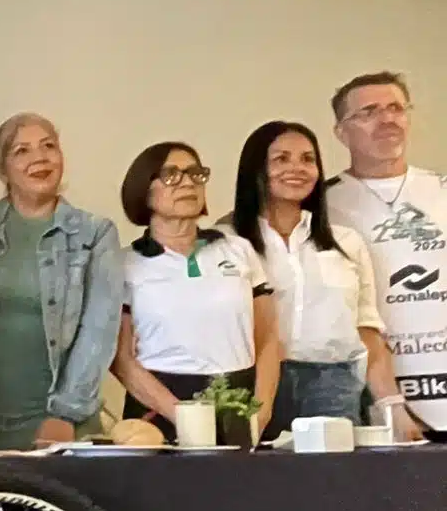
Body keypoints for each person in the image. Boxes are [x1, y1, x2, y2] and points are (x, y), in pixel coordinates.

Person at [225, 120, 418, 439]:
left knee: (334, 484)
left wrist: (393, 407)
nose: (297, 168)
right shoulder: (229, 243)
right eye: (281, 158)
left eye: (308, 159)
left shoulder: (347, 243)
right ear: (256, 168)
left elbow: (367, 333)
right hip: (253, 385)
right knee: (254, 485)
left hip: (333, 386)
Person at [0, 114, 121, 450]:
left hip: (56, 427)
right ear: (2, 171)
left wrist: (67, 414)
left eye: (49, 146)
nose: (40, 158)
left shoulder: (93, 232)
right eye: (21, 151)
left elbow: (99, 329)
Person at [113, 142, 281, 443]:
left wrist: (262, 411)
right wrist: (183, 416)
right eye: (171, 175)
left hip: (238, 401)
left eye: (195, 173)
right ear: (143, 188)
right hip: (158, 408)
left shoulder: (237, 249)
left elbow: (268, 338)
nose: (188, 182)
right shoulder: (125, 263)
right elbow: (120, 359)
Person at [324, 71, 446, 431]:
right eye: (369, 112)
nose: (387, 119)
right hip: (374, 396)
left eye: (395, 108)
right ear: (341, 132)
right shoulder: (321, 204)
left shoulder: (440, 189)